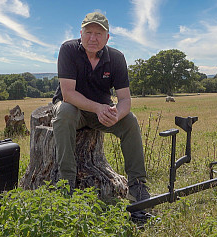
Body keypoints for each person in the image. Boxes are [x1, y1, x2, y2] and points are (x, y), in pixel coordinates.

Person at [51, 11, 151, 207]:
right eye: (88, 32)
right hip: (74, 110)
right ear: (81, 33)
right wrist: (98, 108)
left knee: (129, 120)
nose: (93, 38)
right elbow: (68, 94)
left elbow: (124, 100)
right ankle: (66, 185)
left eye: (99, 33)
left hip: (100, 113)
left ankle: (138, 186)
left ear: (107, 37)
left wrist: (116, 115)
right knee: (65, 112)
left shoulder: (116, 58)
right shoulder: (68, 50)